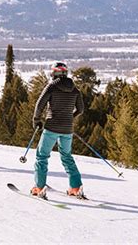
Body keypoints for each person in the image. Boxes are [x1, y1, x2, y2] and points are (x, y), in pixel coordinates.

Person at [31, 62, 84, 198]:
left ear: (54, 73)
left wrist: (36, 120)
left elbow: (39, 104)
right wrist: (69, 117)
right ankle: (76, 187)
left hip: (51, 127)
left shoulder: (52, 87)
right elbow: (81, 109)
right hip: (67, 129)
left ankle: (39, 187)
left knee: (42, 156)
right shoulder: (75, 89)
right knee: (67, 157)